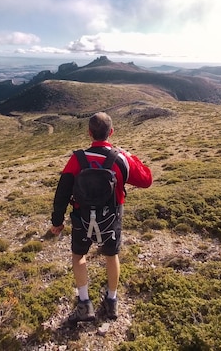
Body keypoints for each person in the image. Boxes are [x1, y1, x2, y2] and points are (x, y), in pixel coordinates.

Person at [50, 112, 153, 324]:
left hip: (82, 218)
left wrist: (57, 221)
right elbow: (146, 180)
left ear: (89, 133)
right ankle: (112, 300)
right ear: (111, 132)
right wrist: (130, 156)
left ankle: (85, 303)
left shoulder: (77, 159)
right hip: (111, 218)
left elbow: (61, 193)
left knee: (79, 255)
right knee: (111, 255)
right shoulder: (119, 158)